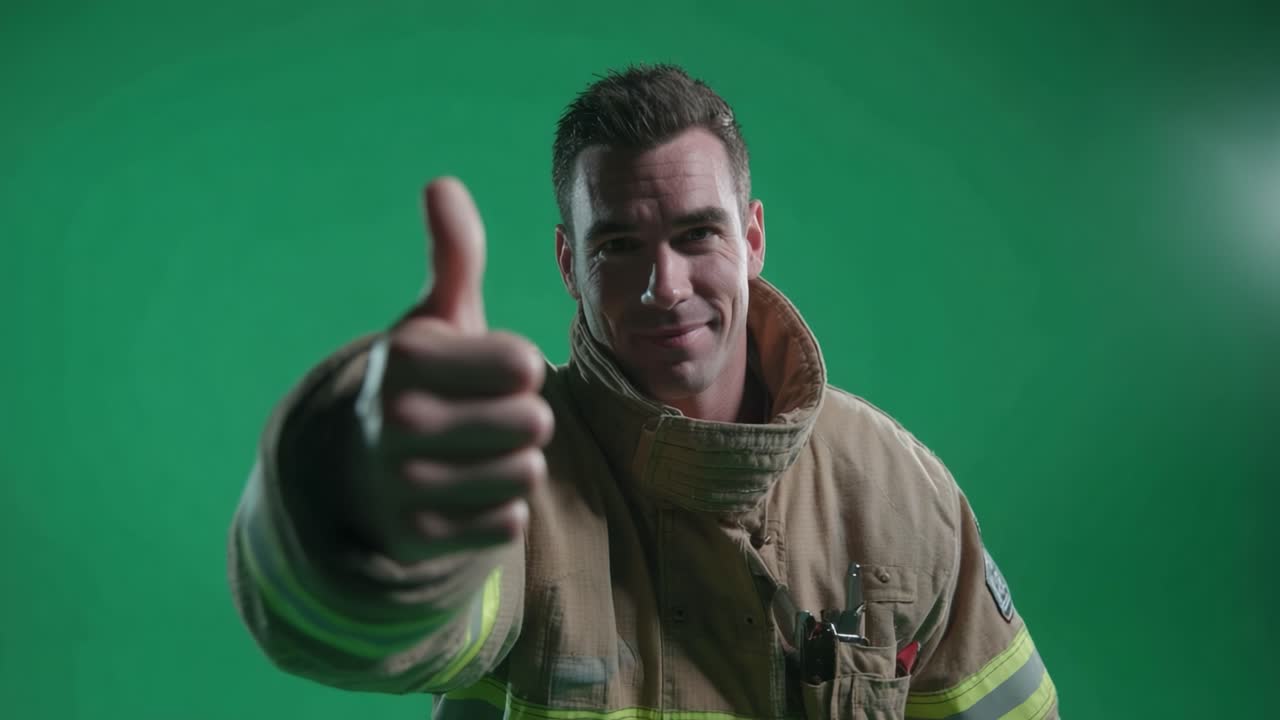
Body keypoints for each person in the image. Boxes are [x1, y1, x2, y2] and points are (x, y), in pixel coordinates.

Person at [227, 64, 1058, 720]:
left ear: (754, 237)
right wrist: (362, 510)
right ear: (567, 264)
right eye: (619, 244)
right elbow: (361, 638)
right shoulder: (511, 472)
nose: (664, 286)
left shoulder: (900, 494)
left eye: (697, 233)